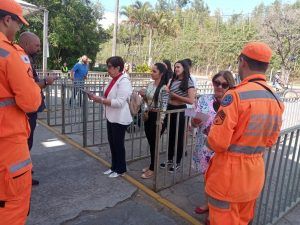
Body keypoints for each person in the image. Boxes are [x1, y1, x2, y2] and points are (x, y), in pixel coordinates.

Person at [205, 42, 284, 225]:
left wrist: (208, 138)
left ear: (242, 62)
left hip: (228, 179)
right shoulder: (275, 98)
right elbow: (271, 140)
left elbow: (217, 142)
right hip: (254, 176)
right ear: (266, 67)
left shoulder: (235, 95)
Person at [0, 1, 42, 224]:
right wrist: (36, 85)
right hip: (7, 147)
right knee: (12, 208)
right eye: (17, 22)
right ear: (8, 19)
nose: (17, 28)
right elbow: (31, 101)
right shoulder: (9, 53)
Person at [191, 71, 235, 218]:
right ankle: (208, 204)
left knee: (219, 182)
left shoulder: (234, 103)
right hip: (204, 147)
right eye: (217, 83)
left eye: (224, 84)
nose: (220, 87)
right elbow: (193, 122)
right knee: (207, 178)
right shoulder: (204, 99)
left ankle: (215, 214)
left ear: (230, 85)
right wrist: (194, 122)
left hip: (223, 150)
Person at [19, 32, 56, 186]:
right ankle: (22, 176)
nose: (39, 48)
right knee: (24, 143)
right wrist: (46, 82)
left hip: (29, 110)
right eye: (37, 45)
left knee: (28, 142)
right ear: (26, 44)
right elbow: (29, 86)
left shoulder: (26, 58)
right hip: (25, 111)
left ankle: (25, 170)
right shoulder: (20, 59)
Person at [89, 56, 132, 178]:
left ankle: (121, 169)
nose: (107, 69)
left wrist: (100, 100)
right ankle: (114, 167)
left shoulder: (124, 81)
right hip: (111, 116)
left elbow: (119, 102)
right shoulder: (113, 79)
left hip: (119, 118)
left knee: (118, 144)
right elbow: (108, 96)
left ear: (117, 68)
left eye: (109, 67)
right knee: (112, 143)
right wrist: (97, 98)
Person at [160, 60, 196, 172]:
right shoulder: (173, 80)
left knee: (179, 136)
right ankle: (170, 159)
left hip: (181, 111)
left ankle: (178, 161)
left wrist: (174, 95)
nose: (176, 69)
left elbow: (191, 100)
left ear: (184, 68)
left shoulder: (189, 81)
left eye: (178, 67)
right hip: (170, 109)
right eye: (175, 67)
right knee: (170, 135)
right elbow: (167, 93)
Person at [139, 63, 169, 179]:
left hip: (158, 117)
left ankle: (152, 168)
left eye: (154, 71)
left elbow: (164, 107)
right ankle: (152, 165)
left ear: (161, 74)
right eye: (151, 71)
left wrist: (161, 122)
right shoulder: (150, 84)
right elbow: (148, 101)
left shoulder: (164, 88)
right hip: (149, 115)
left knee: (154, 143)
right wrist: (143, 96)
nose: (151, 73)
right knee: (151, 142)